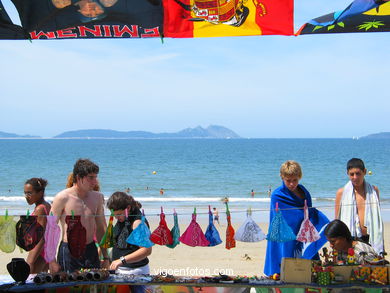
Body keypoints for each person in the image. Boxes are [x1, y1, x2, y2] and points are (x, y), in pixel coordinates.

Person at [264, 160, 329, 276]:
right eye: (288, 180)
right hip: (286, 236)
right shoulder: (277, 195)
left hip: (303, 235)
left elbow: (309, 215)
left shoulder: (304, 192)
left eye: (295, 180)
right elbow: (281, 220)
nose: (292, 184)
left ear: (299, 177)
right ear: (282, 177)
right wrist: (303, 214)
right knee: (286, 271)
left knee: (308, 272)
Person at [49, 158, 109, 273]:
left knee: (92, 288)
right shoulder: (62, 197)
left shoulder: (98, 197)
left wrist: (105, 257)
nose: (95, 182)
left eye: (95, 177)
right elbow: (50, 229)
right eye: (90, 178)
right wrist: (51, 260)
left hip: (91, 249)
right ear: (78, 177)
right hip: (69, 250)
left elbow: (101, 228)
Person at [335, 158, 384, 254]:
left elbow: (377, 217)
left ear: (364, 172)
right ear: (347, 173)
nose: (355, 177)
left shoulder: (374, 191)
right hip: (351, 239)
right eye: (351, 174)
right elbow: (337, 220)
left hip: (371, 238)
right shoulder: (341, 193)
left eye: (358, 173)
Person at [107, 191, 152, 293]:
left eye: (118, 214)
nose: (116, 218)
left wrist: (121, 260)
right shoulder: (124, 217)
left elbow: (146, 250)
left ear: (128, 208)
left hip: (136, 273)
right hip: (122, 271)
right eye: (114, 215)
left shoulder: (137, 223)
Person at [24, 178, 51, 273]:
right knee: (42, 281)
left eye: (29, 193)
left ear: (40, 193)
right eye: (25, 193)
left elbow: (40, 235)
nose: (26, 196)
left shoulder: (40, 209)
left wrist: (30, 261)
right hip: (46, 248)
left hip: (40, 249)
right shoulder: (46, 205)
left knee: (30, 278)